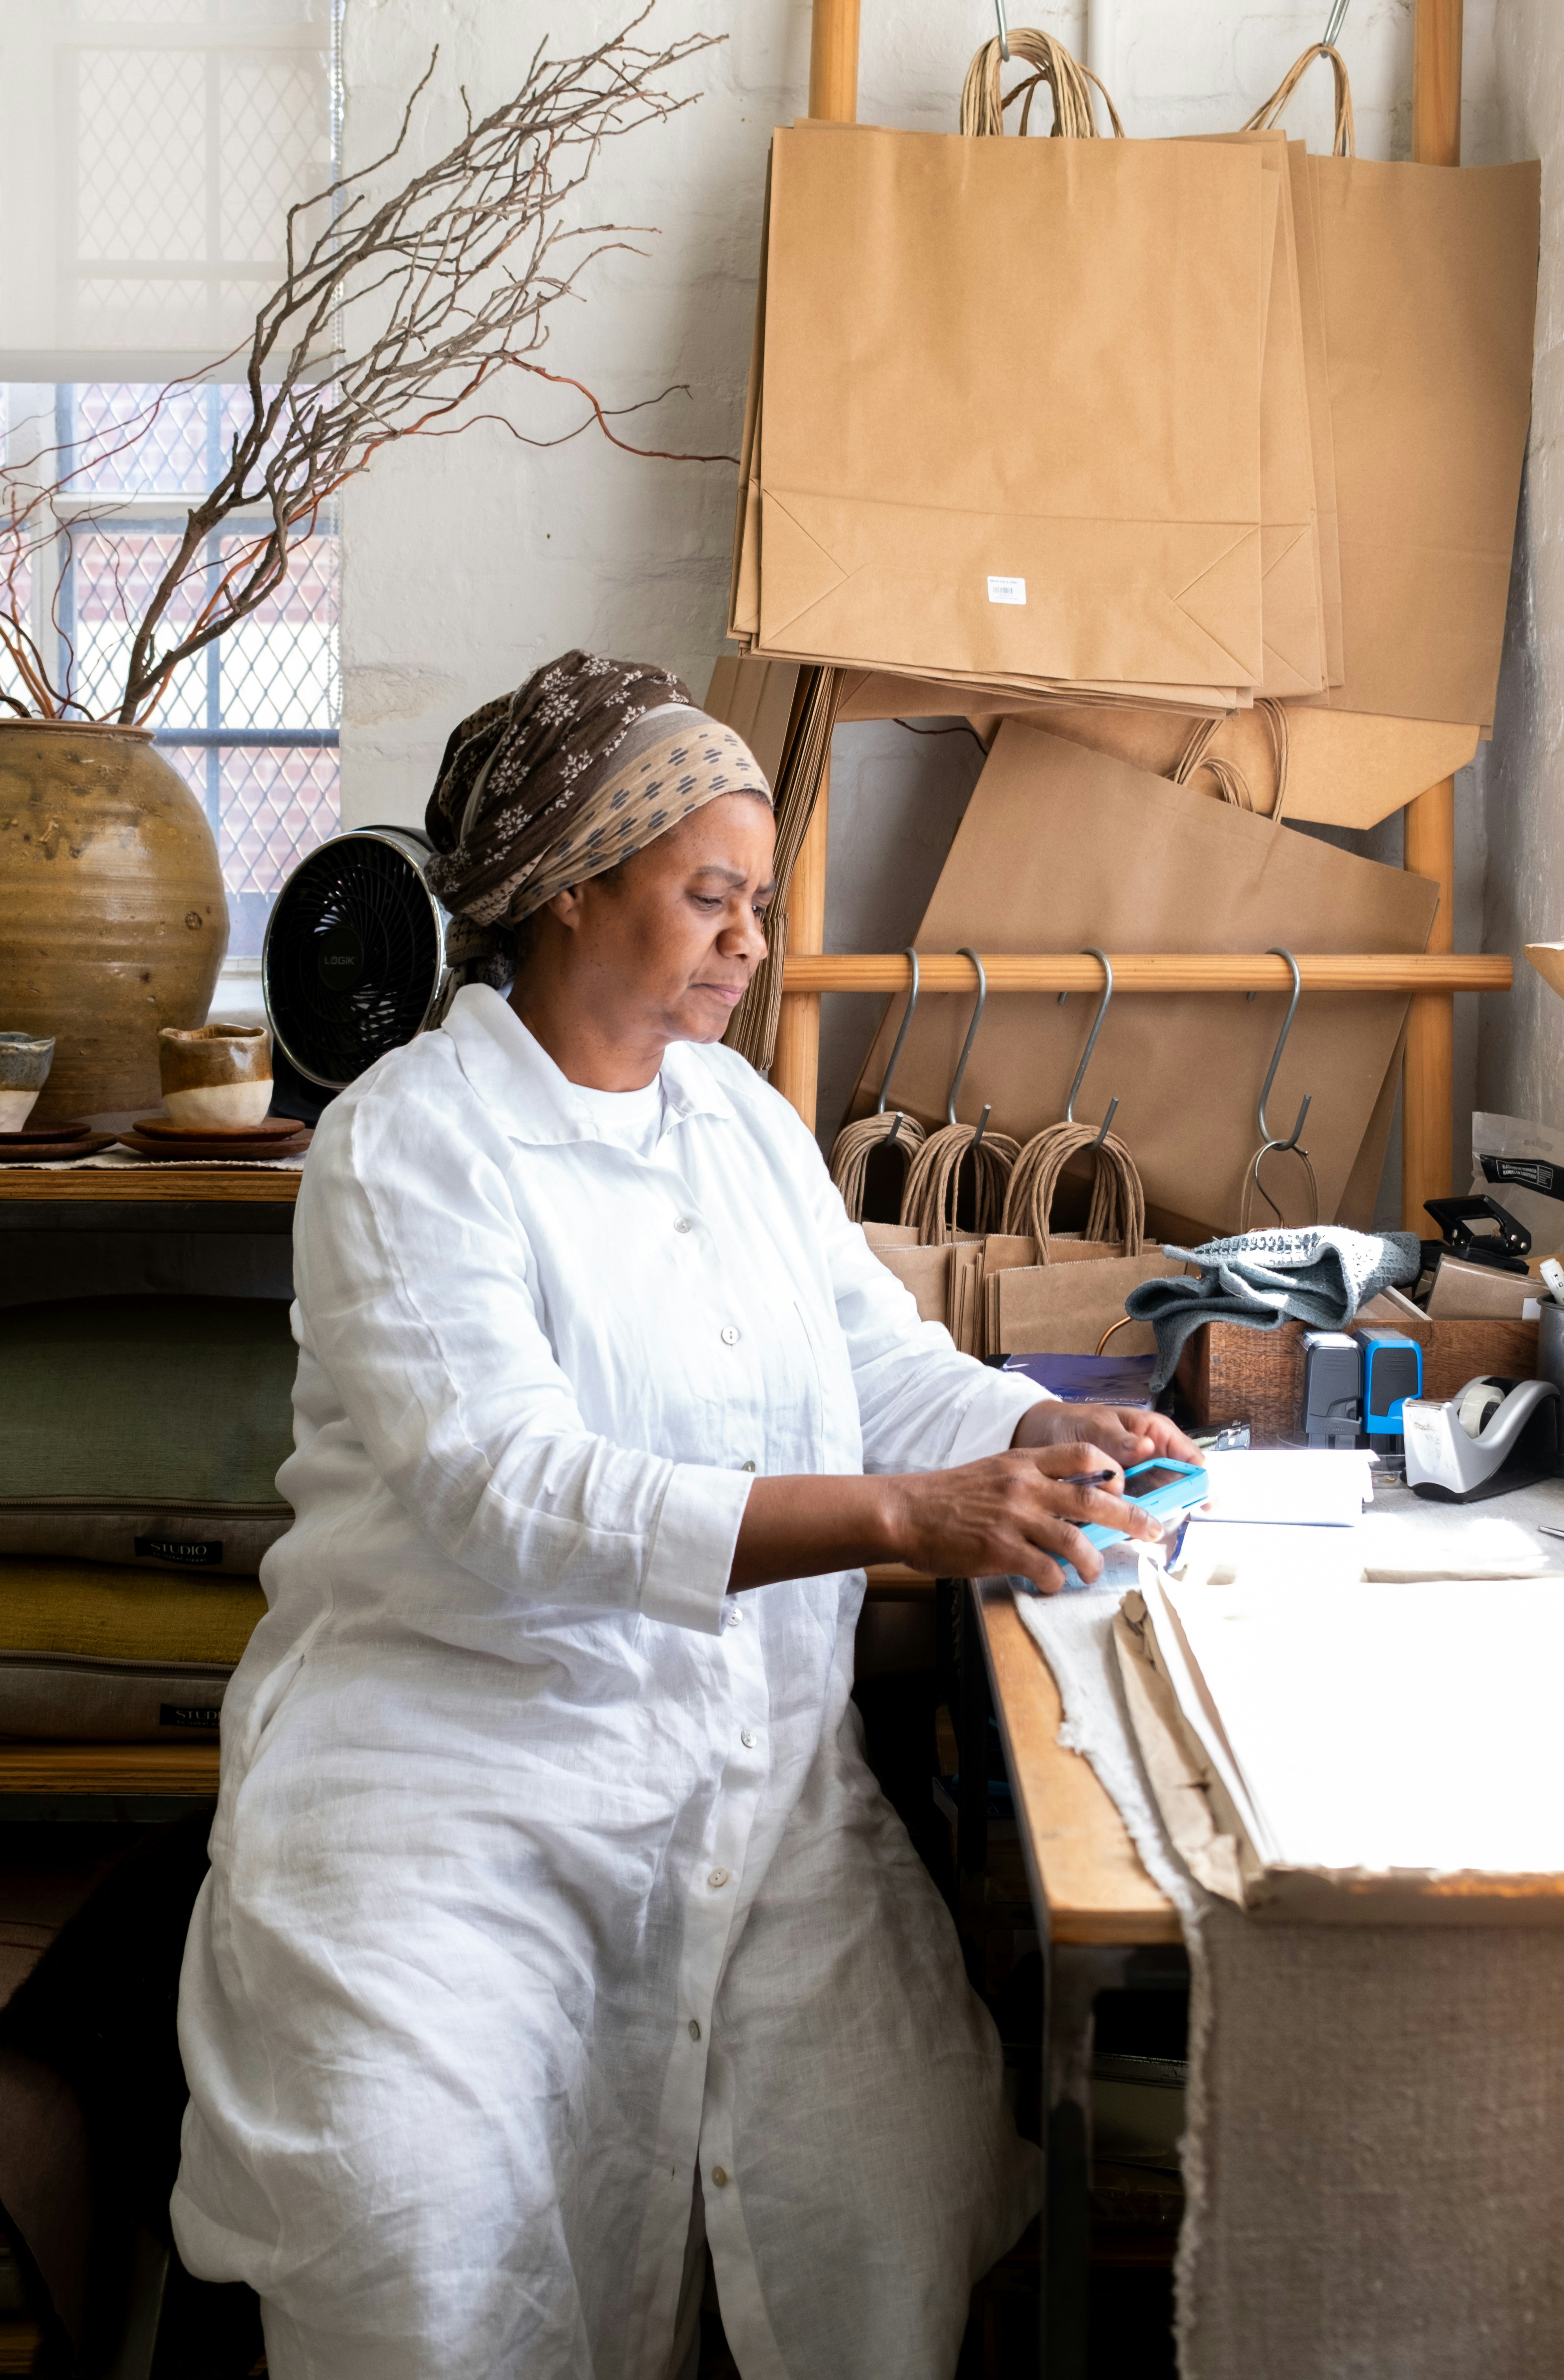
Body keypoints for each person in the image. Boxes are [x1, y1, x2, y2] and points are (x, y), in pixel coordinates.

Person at [172, 652, 1198, 2380]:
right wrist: (901, 1513)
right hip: (463, 1784)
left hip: (752, 1780)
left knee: (889, 2213)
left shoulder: (735, 1118)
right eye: (708, 896)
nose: (749, 942)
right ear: (574, 887)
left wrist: (1034, 1420)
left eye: (760, 903)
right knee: (423, 2240)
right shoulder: (413, 1145)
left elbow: (877, 1361)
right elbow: (509, 1487)